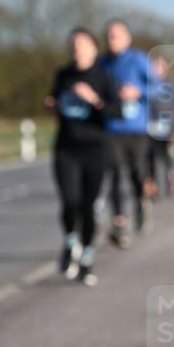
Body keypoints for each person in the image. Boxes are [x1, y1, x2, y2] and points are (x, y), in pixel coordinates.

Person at [46, 28, 119, 286]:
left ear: (93, 49)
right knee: (69, 201)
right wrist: (53, 104)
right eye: (73, 44)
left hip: (95, 148)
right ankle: (70, 241)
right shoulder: (62, 75)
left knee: (87, 207)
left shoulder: (103, 76)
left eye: (82, 44)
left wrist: (94, 99)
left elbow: (116, 111)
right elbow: (55, 101)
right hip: (66, 148)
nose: (77, 48)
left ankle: (87, 257)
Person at [99, 20, 152, 249]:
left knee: (136, 173)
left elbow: (160, 88)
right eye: (109, 35)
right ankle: (120, 223)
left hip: (137, 128)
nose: (113, 40)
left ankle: (142, 202)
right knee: (115, 176)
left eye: (117, 35)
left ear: (127, 38)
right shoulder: (102, 63)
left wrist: (138, 92)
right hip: (111, 128)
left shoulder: (138, 60)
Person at [145, 54, 174, 198]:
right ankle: (153, 186)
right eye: (155, 66)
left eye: (160, 66)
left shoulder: (171, 86)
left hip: (168, 127)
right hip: (150, 127)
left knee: (168, 158)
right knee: (151, 158)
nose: (157, 69)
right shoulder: (146, 85)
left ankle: (172, 183)